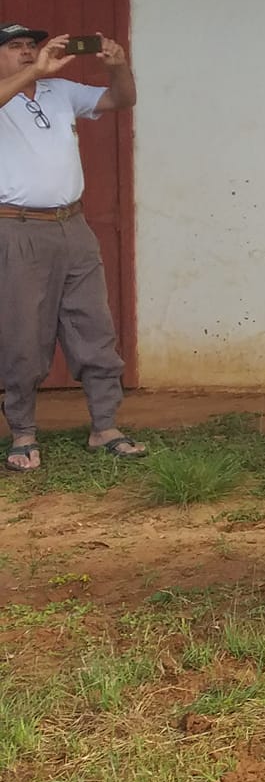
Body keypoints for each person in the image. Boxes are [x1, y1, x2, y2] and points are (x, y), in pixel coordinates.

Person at [0, 23, 144, 472]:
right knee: (24, 334)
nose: (28, 53)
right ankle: (22, 433)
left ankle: (105, 426)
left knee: (93, 327)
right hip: (18, 228)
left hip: (72, 224)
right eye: (16, 47)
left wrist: (119, 68)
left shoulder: (58, 89)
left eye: (32, 46)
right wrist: (31, 73)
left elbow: (121, 100)